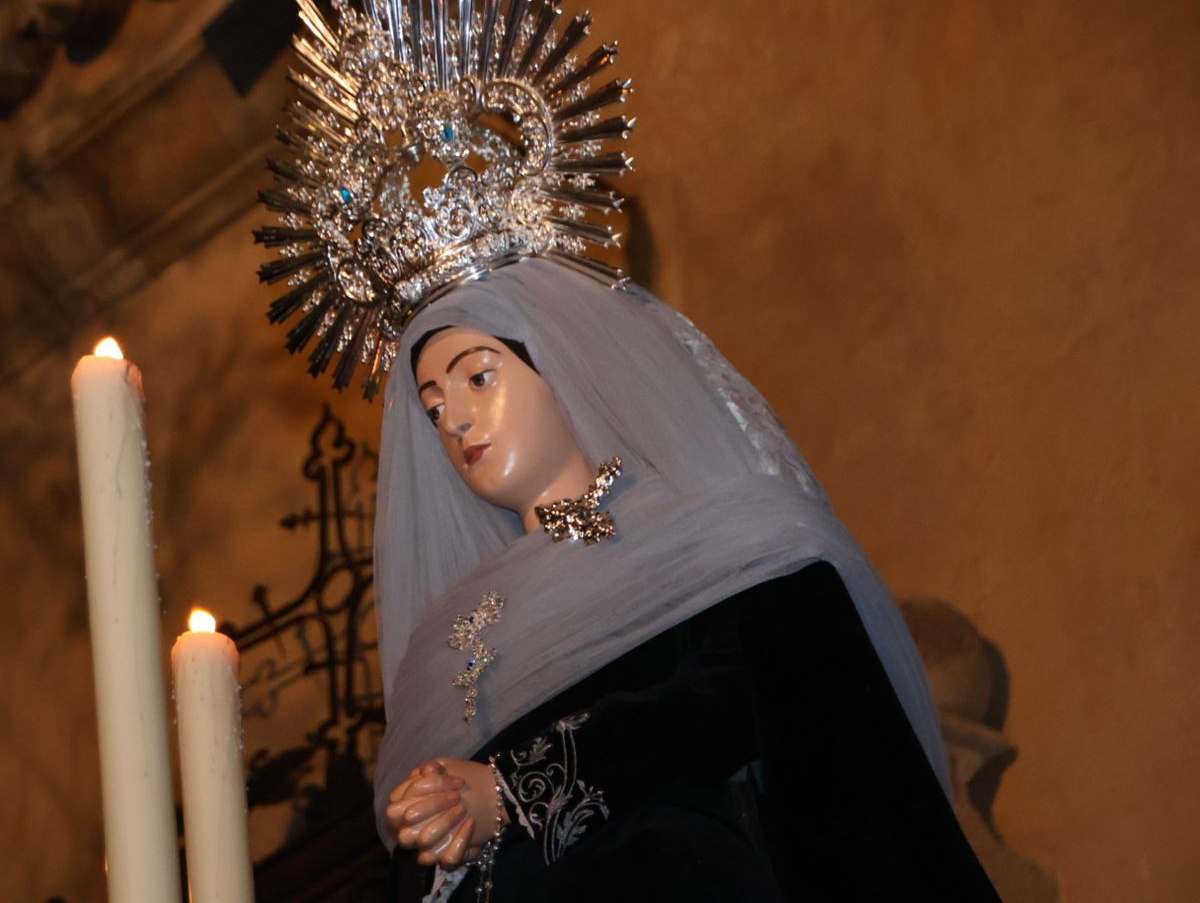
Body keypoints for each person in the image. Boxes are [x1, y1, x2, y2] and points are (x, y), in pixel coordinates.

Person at [371, 259, 1001, 901]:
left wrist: (516, 790)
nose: (453, 421)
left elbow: (751, 696)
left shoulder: (718, 541)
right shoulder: (454, 634)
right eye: (434, 408)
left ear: (563, 362)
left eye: (479, 377)